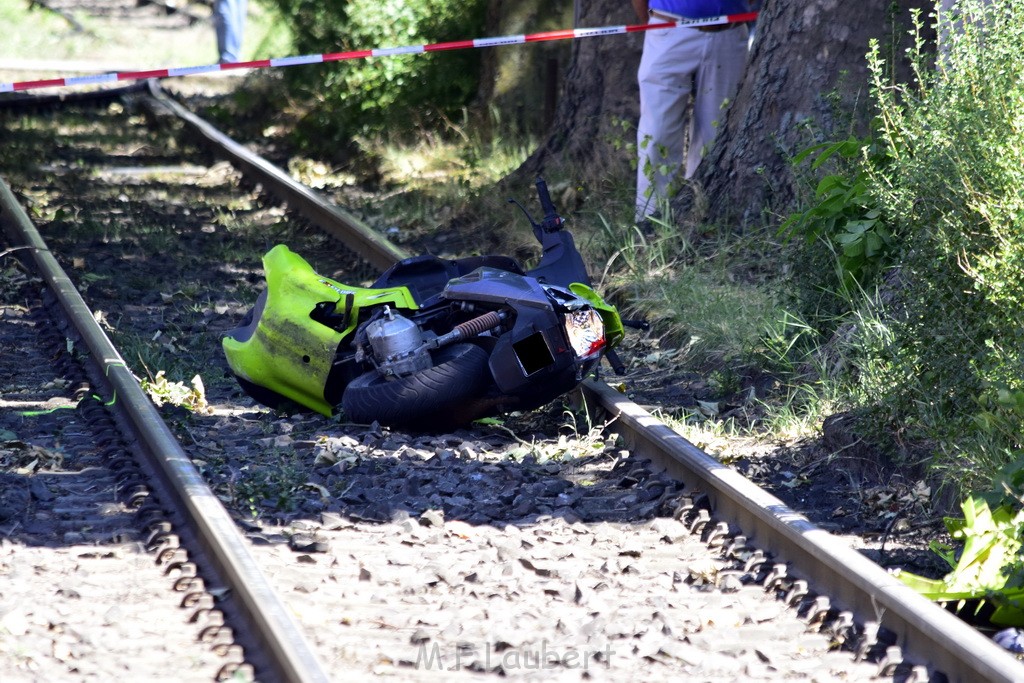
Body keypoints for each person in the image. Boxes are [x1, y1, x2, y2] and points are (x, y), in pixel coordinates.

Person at [632, 0, 750, 222]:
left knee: (716, 137)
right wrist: (654, 23)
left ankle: (703, 219)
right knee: (657, 133)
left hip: (729, 32)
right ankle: (650, 222)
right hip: (669, 29)